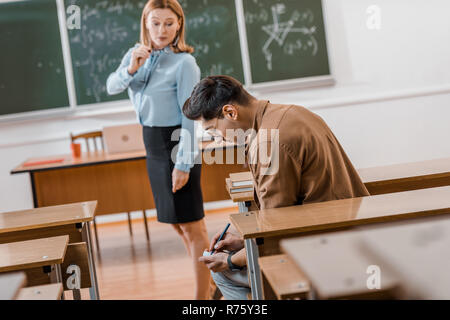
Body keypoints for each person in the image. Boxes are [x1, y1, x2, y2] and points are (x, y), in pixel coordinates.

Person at [182, 75, 370, 300]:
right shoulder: (291, 112)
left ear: (230, 112)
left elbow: (275, 232)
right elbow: (284, 212)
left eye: (214, 130)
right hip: (347, 226)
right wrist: (243, 239)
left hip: (323, 243)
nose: (219, 138)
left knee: (222, 273)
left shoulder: (268, 143)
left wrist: (231, 260)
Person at [106, 0, 210, 300]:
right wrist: (131, 68)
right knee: (177, 224)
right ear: (146, 23)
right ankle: (213, 284)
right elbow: (112, 85)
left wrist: (184, 164)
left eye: (168, 23)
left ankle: (203, 297)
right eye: (155, 23)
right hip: (152, 145)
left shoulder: (184, 63)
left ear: (179, 24)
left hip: (174, 144)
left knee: (192, 228)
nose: (161, 30)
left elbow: (189, 116)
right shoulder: (136, 55)